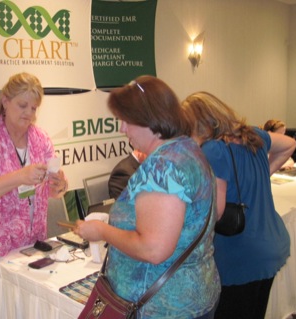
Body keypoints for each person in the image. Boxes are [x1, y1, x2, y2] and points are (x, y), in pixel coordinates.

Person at [74, 76, 220, 318]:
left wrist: (101, 231)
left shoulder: (162, 166)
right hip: (191, 296)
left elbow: (153, 249)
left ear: (149, 119)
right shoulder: (187, 149)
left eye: (126, 121)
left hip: (161, 306)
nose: (122, 129)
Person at [182, 92, 296, 319]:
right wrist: (264, 173)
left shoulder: (213, 150)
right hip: (270, 243)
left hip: (241, 253)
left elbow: (217, 211)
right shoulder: (253, 135)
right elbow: (290, 144)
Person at [0, 72, 68, 319]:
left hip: (30, 239)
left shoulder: (40, 138)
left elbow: (52, 191)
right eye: (23, 105)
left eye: (34, 108)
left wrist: (59, 185)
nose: (29, 113)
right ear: (6, 101)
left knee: (26, 304)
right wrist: (20, 177)